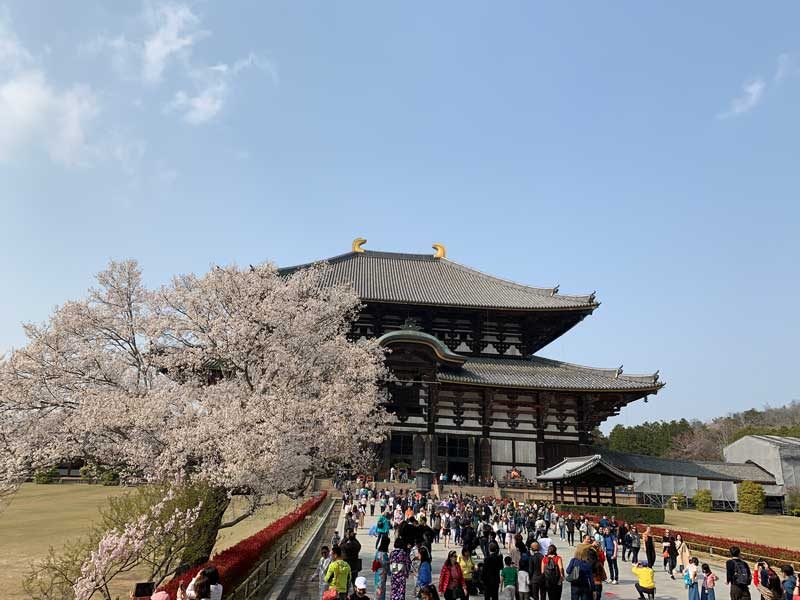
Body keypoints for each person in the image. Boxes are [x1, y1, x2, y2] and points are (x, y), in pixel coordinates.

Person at [373, 535, 390, 600]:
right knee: (381, 588)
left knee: (377, 587)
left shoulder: (378, 551)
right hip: (382, 573)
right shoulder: (383, 554)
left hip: (377, 572)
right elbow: (385, 564)